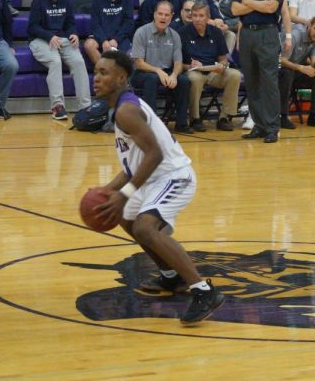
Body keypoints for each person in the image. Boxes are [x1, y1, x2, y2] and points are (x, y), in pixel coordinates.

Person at [91, 50, 225, 324]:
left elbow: (155, 155)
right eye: (96, 72)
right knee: (127, 219)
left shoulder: (127, 111)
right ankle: (171, 276)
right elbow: (133, 164)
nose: (96, 78)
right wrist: (107, 190)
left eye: (103, 73)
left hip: (175, 176)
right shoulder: (121, 108)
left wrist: (124, 193)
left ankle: (203, 290)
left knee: (144, 227)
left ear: (121, 77)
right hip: (154, 178)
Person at [231, 0, 286, 142]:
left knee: (269, 82)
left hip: (267, 34)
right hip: (247, 34)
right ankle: (259, 125)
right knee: (252, 81)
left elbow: (272, 7)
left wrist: (248, 1)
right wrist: (258, 4)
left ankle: (272, 127)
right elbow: (235, 9)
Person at [28, 0, 92, 120]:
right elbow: (32, 27)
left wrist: (74, 33)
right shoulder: (38, 1)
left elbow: (70, 23)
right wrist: (49, 36)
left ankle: (85, 106)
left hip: (62, 39)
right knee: (55, 61)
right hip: (40, 39)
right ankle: (58, 106)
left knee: (78, 61)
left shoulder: (66, 0)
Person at [130, 0, 192, 133]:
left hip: (166, 72)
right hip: (143, 72)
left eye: (166, 15)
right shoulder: (141, 32)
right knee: (152, 79)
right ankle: (153, 123)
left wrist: (174, 75)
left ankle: (181, 123)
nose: (163, 17)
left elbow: (178, 63)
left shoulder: (175, 35)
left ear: (171, 16)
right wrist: (157, 71)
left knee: (183, 80)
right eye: (160, 14)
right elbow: (139, 62)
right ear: (154, 15)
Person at [179, 1, 240, 132]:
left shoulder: (216, 32)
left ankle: (225, 118)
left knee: (235, 75)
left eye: (201, 16)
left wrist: (221, 66)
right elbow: (177, 62)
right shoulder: (182, 33)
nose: (197, 19)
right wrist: (189, 66)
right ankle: (195, 118)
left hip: (213, 71)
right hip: (193, 71)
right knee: (195, 78)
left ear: (208, 17)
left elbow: (223, 59)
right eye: (194, 15)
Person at [278, 15, 315, 129]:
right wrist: (300, 68)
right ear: (309, 25)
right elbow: (281, 60)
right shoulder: (295, 35)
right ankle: (282, 116)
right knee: (287, 72)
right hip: (280, 70)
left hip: (296, 69)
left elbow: (314, 58)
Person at [85, 0, 134, 65]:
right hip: (101, 36)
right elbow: (95, 23)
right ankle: (105, 70)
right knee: (89, 45)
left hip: (120, 37)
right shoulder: (98, 0)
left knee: (128, 57)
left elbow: (129, 23)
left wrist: (116, 39)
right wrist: (103, 40)